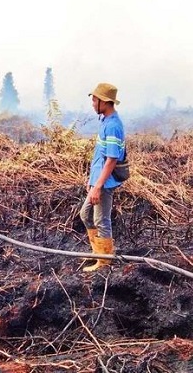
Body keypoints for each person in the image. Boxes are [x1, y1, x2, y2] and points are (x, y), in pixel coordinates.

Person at [79, 83, 125, 272]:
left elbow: (111, 160)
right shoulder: (106, 121)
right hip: (98, 180)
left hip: (105, 183)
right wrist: (92, 182)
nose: (92, 103)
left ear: (105, 102)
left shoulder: (113, 125)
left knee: (101, 220)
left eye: (95, 99)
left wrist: (97, 186)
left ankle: (105, 262)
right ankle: (99, 252)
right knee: (85, 215)